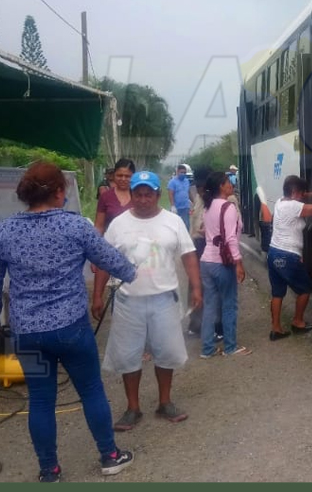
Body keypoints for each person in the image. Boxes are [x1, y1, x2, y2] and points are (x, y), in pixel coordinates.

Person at [0, 161, 138, 483]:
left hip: (28, 332)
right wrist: (130, 272)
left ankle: (49, 470)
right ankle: (109, 456)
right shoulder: (75, 226)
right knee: (91, 390)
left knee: (40, 399)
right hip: (71, 328)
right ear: (60, 192)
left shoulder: (4, 230)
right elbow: (112, 262)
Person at [93, 170, 203, 430]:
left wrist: (197, 288)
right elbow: (104, 261)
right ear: (132, 195)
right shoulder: (119, 224)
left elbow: (188, 255)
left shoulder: (173, 221)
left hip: (164, 299)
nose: (143, 199)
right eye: (138, 194)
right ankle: (133, 408)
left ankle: (165, 402)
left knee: (166, 353)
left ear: (158, 195)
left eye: (148, 194)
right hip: (128, 301)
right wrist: (97, 294)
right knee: (128, 356)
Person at [199, 172, 251, 358]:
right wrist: (238, 264)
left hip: (206, 261)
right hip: (222, 263)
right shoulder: (228, 207)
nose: (231, 185)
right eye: (228, 182)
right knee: (229, 305)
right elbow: (230, 238)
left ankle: (207, 349)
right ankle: (230, 347)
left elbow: (206, 230)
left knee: (210, 307)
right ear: (221, 186)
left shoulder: (208, 206)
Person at [266, 175, 312, 341]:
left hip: (273, 253)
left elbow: (299, 199)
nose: (302, 196)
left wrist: (308, 193)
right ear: (295, 192)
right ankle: (298, 322)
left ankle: (276, 329)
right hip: (288, 255)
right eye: (301, 193)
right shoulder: (293, 206)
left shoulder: (279, 202)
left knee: (277, 293)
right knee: (305, 289)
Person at [186, 168, 223, 341]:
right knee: (195, 286)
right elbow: (195, 224)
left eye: (202, 187)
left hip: (211, 248)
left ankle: (216, 326)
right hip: (196, 246)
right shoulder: (199, 199)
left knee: (212, 289)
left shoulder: (221, 200)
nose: (199, 190)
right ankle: (195, 323)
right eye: (197, 186)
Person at [95, 159, 135, 236]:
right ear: (114, 175)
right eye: (119, 175)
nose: (123, 179)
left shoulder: (139, 196)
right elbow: (99, 226)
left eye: (127, 176)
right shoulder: (105, 197)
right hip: (110, 243)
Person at [168, 164, 192, 230]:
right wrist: (172, 206)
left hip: (185, 207)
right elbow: (171, 194)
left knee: (186, 225)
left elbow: (188, 192)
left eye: (184, 172)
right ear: (177, 172)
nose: (183, 174)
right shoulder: (172, 182)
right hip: (177, 208)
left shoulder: (187, 181)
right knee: (176, 226)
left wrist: (192, 202)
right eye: (181, 172)